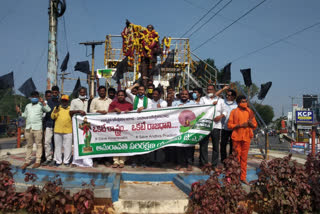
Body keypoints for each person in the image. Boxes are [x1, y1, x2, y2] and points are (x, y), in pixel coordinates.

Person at [16, 91, 51, 169]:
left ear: (38, 97)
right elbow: (24, 115)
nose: (34, 98)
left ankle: (38, 161)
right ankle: (27, 161)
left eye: (36, 96)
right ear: (31, 97)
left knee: (39, 145)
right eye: (33, 96)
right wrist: (19, 112)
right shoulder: (28, 106)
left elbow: (48, 110)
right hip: (28, 127)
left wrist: (43, 102)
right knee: (29, 145)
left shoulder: (41, 105)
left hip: (38, 128)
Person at [228, 95, 257, 185]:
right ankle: (235, 177)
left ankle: (243, 177)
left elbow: (255, 125)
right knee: (236, 158)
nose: (245, 103)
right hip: (236, 137)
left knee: (244, 159)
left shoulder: (250, 112)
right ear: (238, 102)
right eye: (243, 101)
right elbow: (229, 125)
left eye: (245, 101)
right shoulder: (234, 112)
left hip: (247, 137)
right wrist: (240, 125)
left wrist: (250, 124)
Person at [199, 85, 226, 167]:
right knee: (203, 145)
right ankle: (204, 163)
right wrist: (211, 105)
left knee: (215, 146)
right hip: (205, 125)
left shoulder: (221, 100)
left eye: (211, 90)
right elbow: (200, 110)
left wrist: (220, 116)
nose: (209, 91)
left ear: (215, 91)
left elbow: (225, 111)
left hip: (216, 126)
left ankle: (214, 164)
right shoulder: (203, 99)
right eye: (208, 90)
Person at [126, 82, 152, 167]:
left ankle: (143, 162)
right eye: (139, 90)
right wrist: (135, 85)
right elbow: (127, 91)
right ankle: (134, 161)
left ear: (145, 91)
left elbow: (151, 112)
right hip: (135, 124)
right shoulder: (134, 98)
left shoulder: (148, 100)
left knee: (144, 143)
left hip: (144, 124)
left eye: (142, 90)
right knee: (135, 142)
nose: (140, 91)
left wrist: (144, 108)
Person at [108, 90, 133, 168]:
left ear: (125, 96)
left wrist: (129, 112)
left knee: (124, 143)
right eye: (119, 95)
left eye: (122, 95)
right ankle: (115, 161)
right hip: (115, 127)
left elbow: (134, 115)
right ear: (117, 96)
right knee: (115, 143)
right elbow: (108, 114)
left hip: (126, 128)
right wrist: (114, 110)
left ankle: (122, 161)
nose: (120, 96)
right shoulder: (113, 104)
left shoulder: (129, 105)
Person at [69, 87, 93, 167]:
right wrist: (78, 111)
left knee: (88, 142)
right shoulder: (74, 101)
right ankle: (76, 161)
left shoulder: (89, 101)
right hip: (77, 125)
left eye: (84, 92)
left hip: (87, 124)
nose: (83, 94)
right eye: (81, 92)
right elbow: (71, 112)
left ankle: (87, 162)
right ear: (79, 93)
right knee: (77, 142)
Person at [172, 89, 195, 171]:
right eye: (182, 94)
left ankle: (189, 163)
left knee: (190, 145)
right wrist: (177, 108)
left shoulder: (193, 103)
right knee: (179, 145)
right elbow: (171, 113)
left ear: (188, 96)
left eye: (185, 94)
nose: (184, 96)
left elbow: (197, 112)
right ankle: (179, 163)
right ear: (180, 95)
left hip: (189, 127)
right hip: (178, 127)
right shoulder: (175, 103)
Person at [217, 86, 238, 163]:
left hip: (234, 129)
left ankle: (231, 160)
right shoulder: (223, 102)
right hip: (224, 127)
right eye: (227, 95)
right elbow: (215, 95)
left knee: (233, 146)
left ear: (233, 97)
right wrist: (223, 89)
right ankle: (223, 160)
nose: (227, 96)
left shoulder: (237, 105)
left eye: (229, 95)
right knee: (223, 145)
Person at [51, 95, 72, 167]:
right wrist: (56, 111)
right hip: (58, 130)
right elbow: (52, 117)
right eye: (63, 100)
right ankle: (58, 161)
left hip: (68, 130)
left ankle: (66, 161)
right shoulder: (57, 108)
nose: (64, 102)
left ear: (68, 101)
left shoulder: (71, 109)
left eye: (65, 101)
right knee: (57, 146)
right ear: (61, 101)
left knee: (68, 146)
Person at [42, 86, 60, 166]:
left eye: (56, 92)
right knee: (47, 142)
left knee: (56, 143)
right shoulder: (48, 102)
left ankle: (55, 158)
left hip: (57, 125)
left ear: (58, 93)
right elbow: (44, 113)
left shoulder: (61, 102)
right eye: (53, 92)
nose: (54, 94)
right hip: (49, 125)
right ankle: (48, 158)